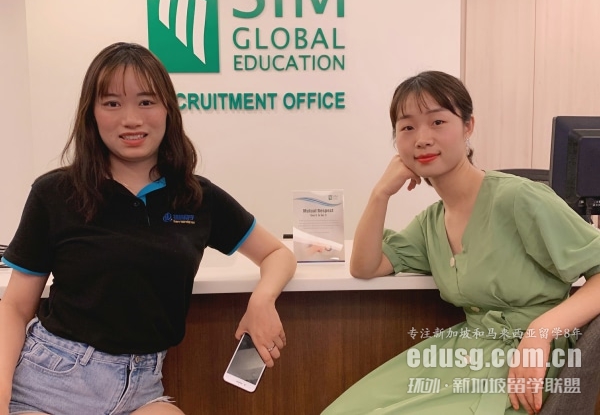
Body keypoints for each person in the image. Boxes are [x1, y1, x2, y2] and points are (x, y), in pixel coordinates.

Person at [0, 42, 297, 415]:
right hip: (50, 383)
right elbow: (15, 307)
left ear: (168, 109)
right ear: (91, 113)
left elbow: (277, 253)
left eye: (146, 102)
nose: (131, 119)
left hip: (141, 389)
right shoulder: (56, 192)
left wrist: (262, 300)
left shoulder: (196, 196)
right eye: (112, 103)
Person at [322, 71, 600, 415]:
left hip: (523, 362)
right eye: (407, 127)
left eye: (437, 122)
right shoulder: (431, 222)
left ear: (468, 126)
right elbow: (365, 266)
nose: (422, 139)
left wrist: (541, 331)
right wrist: (380, 194)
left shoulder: (519, 198)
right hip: (466, 351)